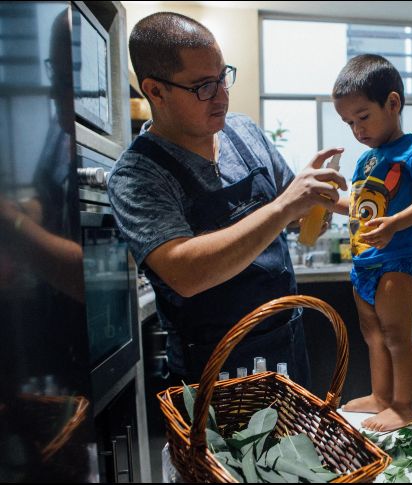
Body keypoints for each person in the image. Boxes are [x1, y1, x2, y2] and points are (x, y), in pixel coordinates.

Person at [107, 12, 346, 386]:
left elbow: (290, 215)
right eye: (203, 86)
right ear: (155, 91)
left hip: (285, 347)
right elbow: (185, 272)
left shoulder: (244, 132)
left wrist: (311, 207)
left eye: (222, 77)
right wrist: (284, 207)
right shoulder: (137, 175)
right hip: (213, 372)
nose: (221, 95)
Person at [331, 54, 412, 431]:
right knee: (372, 335)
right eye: (349, 122)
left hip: (399, 258)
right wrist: (330, 202)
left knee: (397, 335)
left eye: (363, 117)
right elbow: (359, 207)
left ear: (392, 103)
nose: (356, 129)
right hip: (365, 261)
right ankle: (381, 397)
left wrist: (395, 223)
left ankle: (403, 405)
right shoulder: (365, 161)